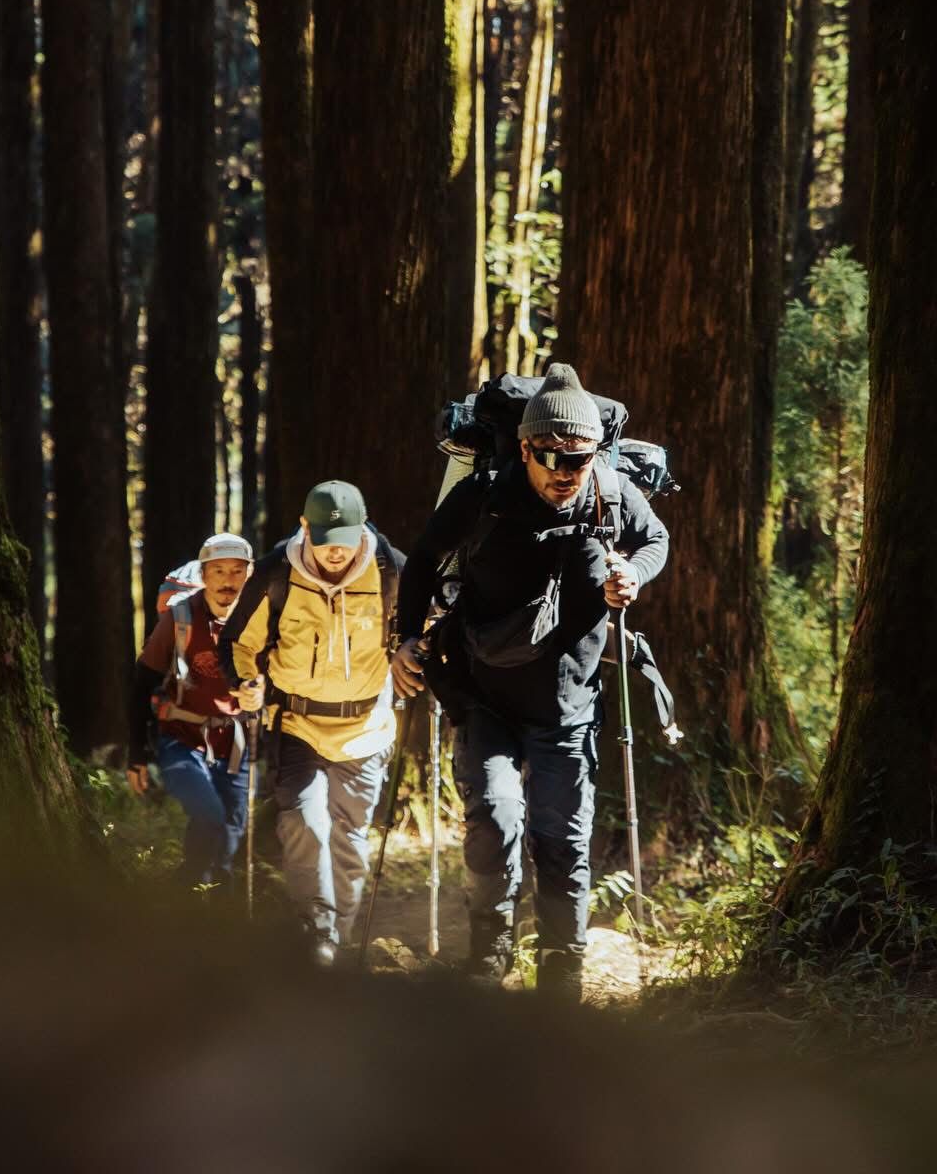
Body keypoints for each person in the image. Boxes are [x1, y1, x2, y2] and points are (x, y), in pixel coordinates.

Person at [393, 364, 669, 997]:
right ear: (525, 448)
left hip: (568, 702)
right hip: (485, 694)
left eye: (581, 458)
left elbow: (656, 539)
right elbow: (422, 563)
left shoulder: (609, 489)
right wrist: (406, 637)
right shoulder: (486, 492)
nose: (567, 473)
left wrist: (635, 572)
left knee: (564, 845)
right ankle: (488, 967)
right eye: (553, 458)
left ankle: (560, 989)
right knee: (493, 822)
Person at [219, 481, 405, 965]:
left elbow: (423, 633)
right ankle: (317, 931)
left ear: (363, 527)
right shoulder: (277, 571)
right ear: (305, 527)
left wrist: (421, 658)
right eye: (325, 538)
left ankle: (338, 937)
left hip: (367, 725)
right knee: (304, 822)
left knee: (349, 836)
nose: (336, 551)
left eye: (346, 537)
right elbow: (238, 642)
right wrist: (247, 682)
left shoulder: (393, 571)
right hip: (298, 721)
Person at [127, 533, 258, 892]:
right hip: (181, 740)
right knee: (210, 814)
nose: (228, 580)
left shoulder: (261, 620)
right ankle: (188, 889)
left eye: (237, 571)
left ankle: (218, 897)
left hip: (235, 740)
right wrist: (136, 754)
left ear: (250, 576)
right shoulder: (179, 619)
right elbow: (143, 682)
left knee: (233, 823)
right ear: (204, 575)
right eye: (218, 571)